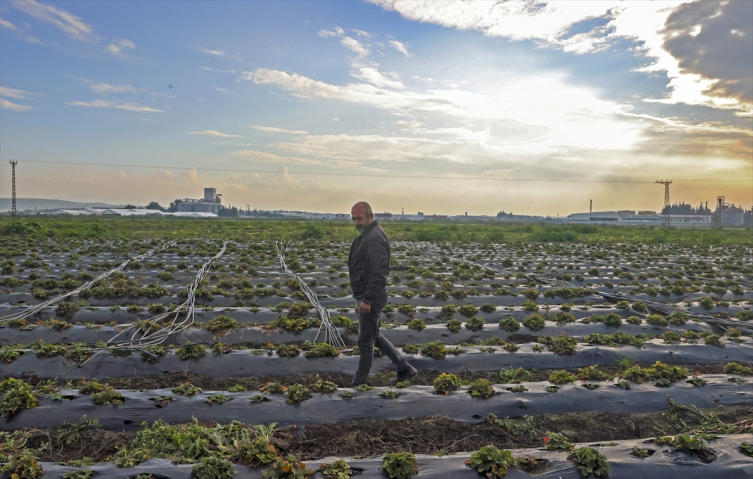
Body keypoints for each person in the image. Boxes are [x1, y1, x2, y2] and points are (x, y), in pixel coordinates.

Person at [348, 201, 416, 386]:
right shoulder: (367, 234)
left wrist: (368, 299)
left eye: (360, 218)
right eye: (354, 219)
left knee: (365, 340)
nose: (356, 223)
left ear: (371, 216)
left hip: (372, 296)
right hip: (369, 294)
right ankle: (404, 368)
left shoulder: (374, 237)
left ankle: (359, 381)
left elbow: (379, 272)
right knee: (374, 335)